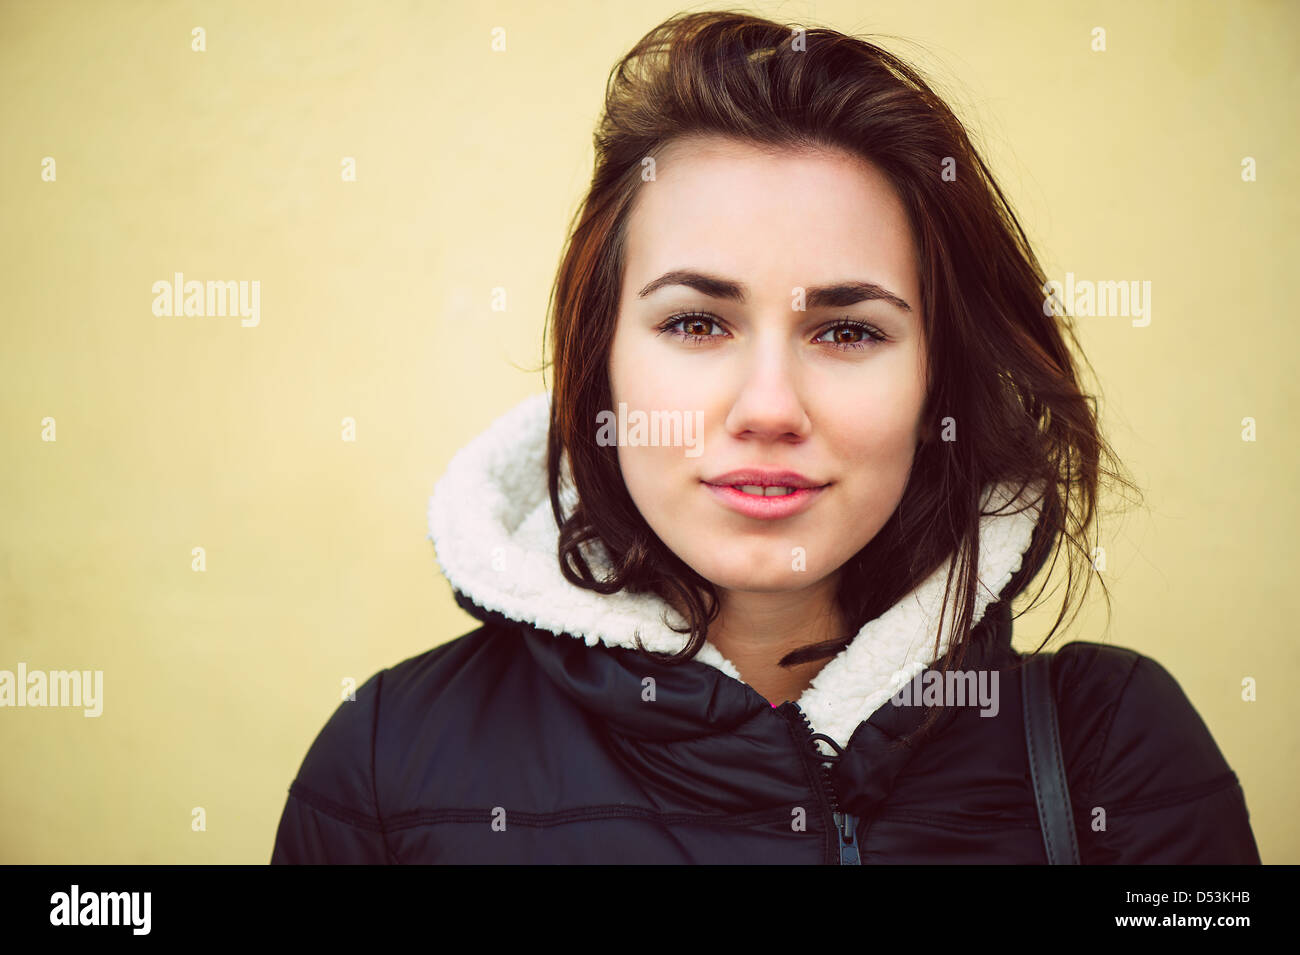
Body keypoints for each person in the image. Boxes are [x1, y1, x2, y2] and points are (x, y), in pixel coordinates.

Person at [271, 10, 1260, 864]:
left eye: (847, 330)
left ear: (936, 382)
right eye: (696, 323)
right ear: (598, 360)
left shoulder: (1114, 750)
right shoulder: (386, 765)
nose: (770, 406)